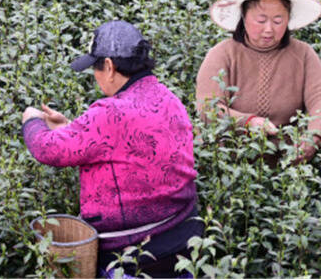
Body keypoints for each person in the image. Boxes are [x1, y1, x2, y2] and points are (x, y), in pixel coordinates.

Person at [21, 21, 201, 277]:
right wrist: (69, 127)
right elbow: (123, 147)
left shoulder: (109, 113)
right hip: (183, 244)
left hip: (132, 255)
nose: (94, 76)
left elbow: (47, 149)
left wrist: (32, 120)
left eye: (95, 67)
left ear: (109, 66)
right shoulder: (168, 98)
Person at [196, 0, 321, 164]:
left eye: (278, 21)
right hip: (234, 164)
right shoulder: (221, 54)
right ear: (244, 17)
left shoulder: (303, 54)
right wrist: (247, 121)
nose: (269, 29)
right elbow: (207, 108)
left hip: (289, 162)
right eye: (261, 21)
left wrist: (313, 136)